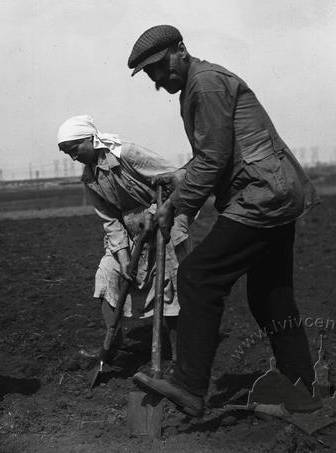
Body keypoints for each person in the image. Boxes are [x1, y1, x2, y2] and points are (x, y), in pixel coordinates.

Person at [127, 25, 320, 417]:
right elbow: (214, 154)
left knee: (199, 276)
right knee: (271, 296)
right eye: (150, 74)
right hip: (274, 191)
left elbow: (214, 158)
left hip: (261, 196)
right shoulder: (201, 83)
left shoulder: (206, 84)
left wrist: (176, 207)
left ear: (181, 50)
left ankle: (189, 387)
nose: (158, 78)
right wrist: (180, 176)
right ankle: (303, 394)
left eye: (160, 67)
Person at [57, 114, 193, 370]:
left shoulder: (127, 153)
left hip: (167, 217)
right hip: (131, 230)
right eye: (67, 154)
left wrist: (156, 213)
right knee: (107, 274)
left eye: (74, 150)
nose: (73, 157)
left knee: (170, 285)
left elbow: (175, 179)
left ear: (89, 139)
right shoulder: (89, 178)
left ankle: (179, 358)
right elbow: (110, 221)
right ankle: (112, 346)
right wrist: (122, 257)